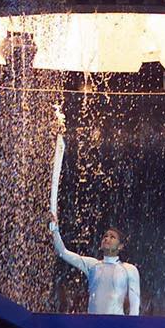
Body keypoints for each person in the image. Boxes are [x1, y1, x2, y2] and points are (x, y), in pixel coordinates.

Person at [46, 114, 141, 316]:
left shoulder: (129, 270)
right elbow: (62, 252)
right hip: (92, 324)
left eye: (112, 237)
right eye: (105, 236)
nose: (107, 238)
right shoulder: (92, 266)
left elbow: (134, 303)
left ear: (121, 246)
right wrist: (54, 229)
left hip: (117, 325)